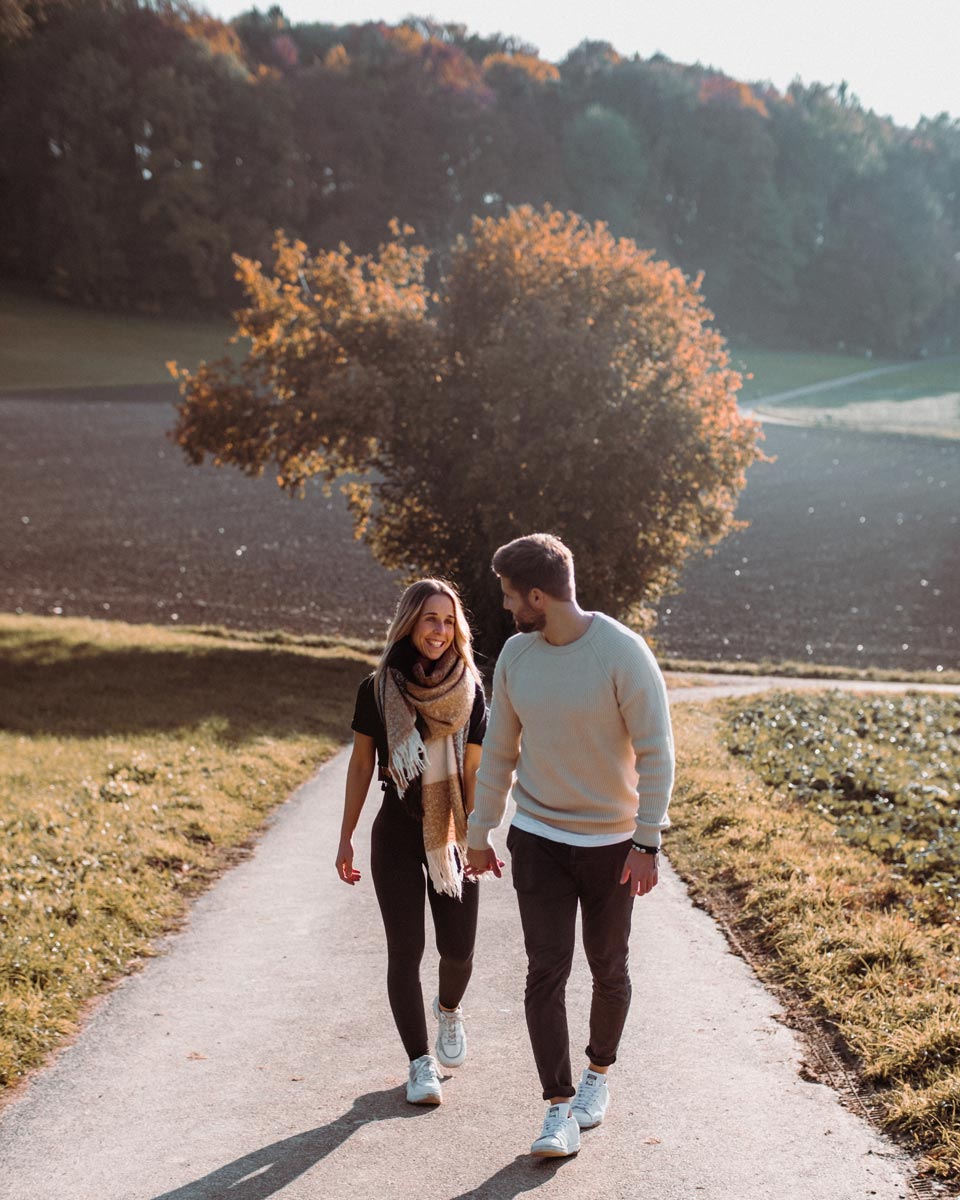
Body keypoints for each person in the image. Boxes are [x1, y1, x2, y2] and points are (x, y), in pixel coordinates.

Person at [465, 533, 674, 1158]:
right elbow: (499, 751)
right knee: (545, 970)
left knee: (609, 967)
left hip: (613, 845)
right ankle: (557, 1108)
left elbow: (656, 754)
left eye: (509, 597)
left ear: (537, 595)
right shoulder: (515, 656)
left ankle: (597, 1077)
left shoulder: (622, 653)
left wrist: (647, 841)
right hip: (540, 840)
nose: (505, 609)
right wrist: (481, 831)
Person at [336, 579, 487, 1106]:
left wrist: (481, 836)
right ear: (409, 623)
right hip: (396, 830)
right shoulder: (377, 689)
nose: (440, 631)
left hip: (451, 833)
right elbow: (360, 765)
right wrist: (346, 838)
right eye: (430, 620)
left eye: (448, 621)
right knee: (406, 949)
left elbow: (475, 768)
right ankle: (419, 1062)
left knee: (459, 949)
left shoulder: (470, 690)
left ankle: (449, 1010)